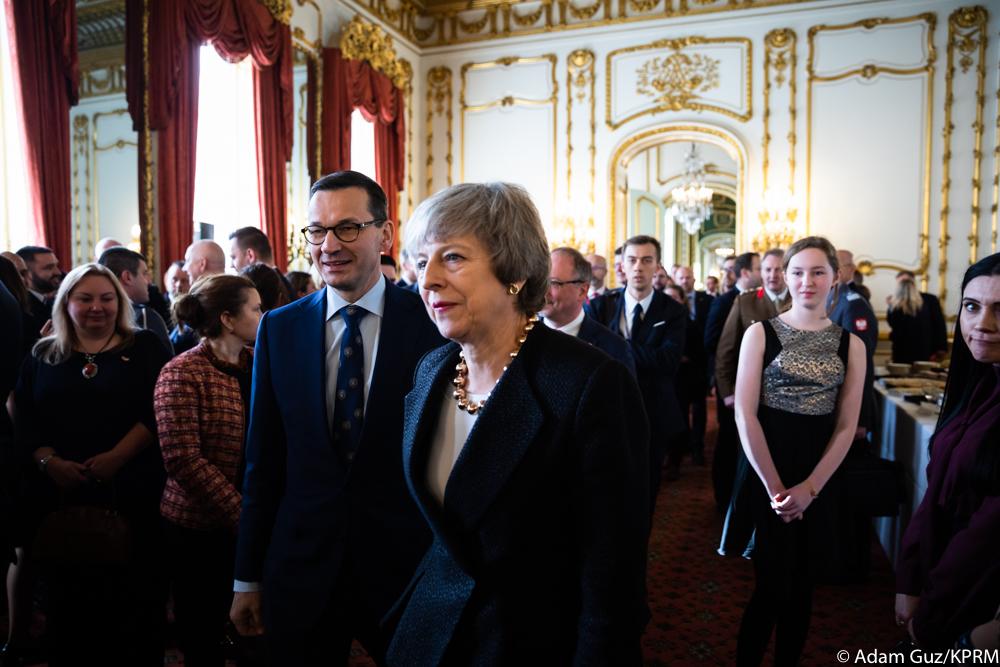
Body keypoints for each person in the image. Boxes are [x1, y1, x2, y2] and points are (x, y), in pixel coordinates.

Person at [386, 182, 649, 665]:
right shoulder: (430, 371)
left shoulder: (590, 383)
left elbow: (613, 567)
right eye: (421, 263)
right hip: (430, 636)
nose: (428, 280)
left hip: (531, 642)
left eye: (452, 258)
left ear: (513, 271)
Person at [229, 171, 443, 665]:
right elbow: (263, 462)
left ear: (385, 235)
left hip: (405, 567)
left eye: (347, 227)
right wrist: (247, 577)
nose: (329, 245)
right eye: (317, 230)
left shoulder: (433, 324)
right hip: (301, 566)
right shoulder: (279, 329)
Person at [14, 263, 171, 666]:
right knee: (69, 611)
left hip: (132, 492)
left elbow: (159, 411)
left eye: (106, 298)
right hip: (60, 496)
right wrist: (49, 461)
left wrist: (118, 456)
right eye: (85, 299)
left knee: (135, 608)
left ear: (120, 302)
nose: (96, 307)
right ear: (66, 303)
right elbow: (24, 417)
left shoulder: (146, 347)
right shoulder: (43, 354)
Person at [721, 236, 865, 666]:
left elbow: (846, 425)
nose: (807, 281)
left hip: (819, 474)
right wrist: (777, 490)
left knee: (803, 589)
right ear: (785, 276)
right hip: (768, 469)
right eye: (798, 272)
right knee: (769, 588)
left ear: (834, 277)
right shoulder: (760, 333)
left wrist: (811, 488)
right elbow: (745, 415)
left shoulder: (851, 345)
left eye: (818, 272)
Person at [895, 252, 1000, 649]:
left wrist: (934, 610)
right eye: (972, 307)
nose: (983, 324)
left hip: (974, 604)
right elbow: (936, 492)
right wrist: (909, 579)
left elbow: (987, 536)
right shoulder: (979, 384)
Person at [155, 274, 261, 667]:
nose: (264, 315)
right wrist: (242, 514)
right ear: (228, 319)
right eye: (256, 309)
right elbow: (183, 458)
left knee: (255, 629)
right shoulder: (182, 372)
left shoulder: (260, 363)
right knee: (203, 632)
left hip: (255, 519)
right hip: (197, 527)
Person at [587, 234, 687, 498]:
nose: (638, 267)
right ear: (622, 265)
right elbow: (591, 358)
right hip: (606, 408)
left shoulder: (673, 311)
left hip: (653, 410)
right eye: (632, 260)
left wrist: (616, 346)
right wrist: (641, 352)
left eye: (646, 260)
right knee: (604, 488)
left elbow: (668, 362)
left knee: (646, 487)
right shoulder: (600, 306)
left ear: (657, 266)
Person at [713, 249, 790, 510]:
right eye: (767, 269)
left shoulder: (798, 300)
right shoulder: (746, 302)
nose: (772, 275)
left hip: (787, 400)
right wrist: (727, 392)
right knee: (745, 458)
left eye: (778, 269)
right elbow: (725, 350)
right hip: (749, 397)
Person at [540, 247, 635, 377]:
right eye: (541, 281)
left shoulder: (614, 349)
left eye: (553, 283)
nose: (543, 291)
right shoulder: (519, 338)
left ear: (582, 291)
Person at [828, 249, 878, 440]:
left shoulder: (853, 303)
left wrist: (860, 418)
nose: (836, 271)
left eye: (839, 266)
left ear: (851, 269)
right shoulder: (832, 298)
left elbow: (861, 362)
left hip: (849, 408)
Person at [99, 247, 174, 355]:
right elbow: (167, 364)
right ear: (127, 277)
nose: (149, 281)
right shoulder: (144, 316)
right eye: (144, 273)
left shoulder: (96, 315)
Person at [676, 265, 714, 466]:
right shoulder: (666, 304)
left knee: (699, 409)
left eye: (688, 277)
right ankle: (683, 446)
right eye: (681, 278)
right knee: (681, 409)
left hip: (699, 364)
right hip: (678, 368)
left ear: (693, 279)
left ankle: (697, 447)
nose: (685, 281)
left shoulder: (706, 300)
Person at [173, 241, 226, 354]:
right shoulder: (238, 294)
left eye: (188, 261)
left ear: (202, 264)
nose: (184, 268)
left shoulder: (202, 303)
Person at [886, 275, 948, 363]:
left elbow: (892, 324)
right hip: (924, 348)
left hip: (902, 349)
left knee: (902, 371)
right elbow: (939, 325)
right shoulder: (927, 301)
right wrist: (941, 348)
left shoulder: (894, 305)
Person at [228, 227, 294, 301]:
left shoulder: (261, 291)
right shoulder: (285, 285)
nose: (231, 265)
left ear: (250, 255)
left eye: (233, 257)